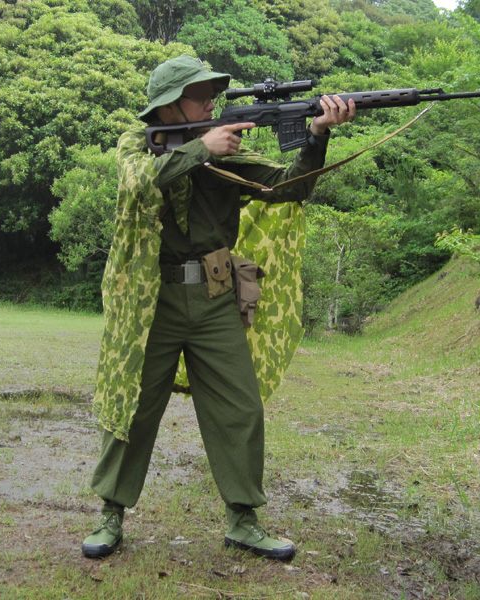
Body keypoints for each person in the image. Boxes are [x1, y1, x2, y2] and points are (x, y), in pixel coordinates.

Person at [82, 55, 355, 561]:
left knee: (240, 406)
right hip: (151, 301)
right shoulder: (135, 143)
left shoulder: (226, 150)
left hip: (213, 296)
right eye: (199, 93)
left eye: (212, 92)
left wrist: (318, 134)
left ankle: (243, 520)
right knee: (134, 407)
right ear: (167, 105)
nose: (211, 101)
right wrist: (199, 151)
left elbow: (286, 186)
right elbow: (138, 184)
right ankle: (110, 515)